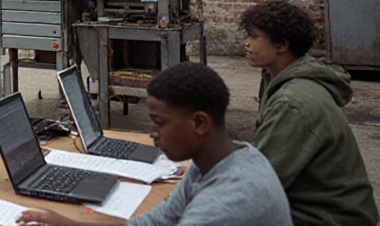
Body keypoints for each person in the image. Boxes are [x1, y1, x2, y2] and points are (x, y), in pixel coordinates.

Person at [18, 62, 292, 226]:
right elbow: (153, 223)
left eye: (160, 123)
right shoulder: (224, 160)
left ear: (199, 123)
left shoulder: (225, 204)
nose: (152, 134)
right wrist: (68, 224)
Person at [239, 0, 378, 226]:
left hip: (327, 218)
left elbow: (260, 181)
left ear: (282, 45)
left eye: (254, 37)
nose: (246, 43)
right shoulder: (278, 79)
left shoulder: (292, 102)